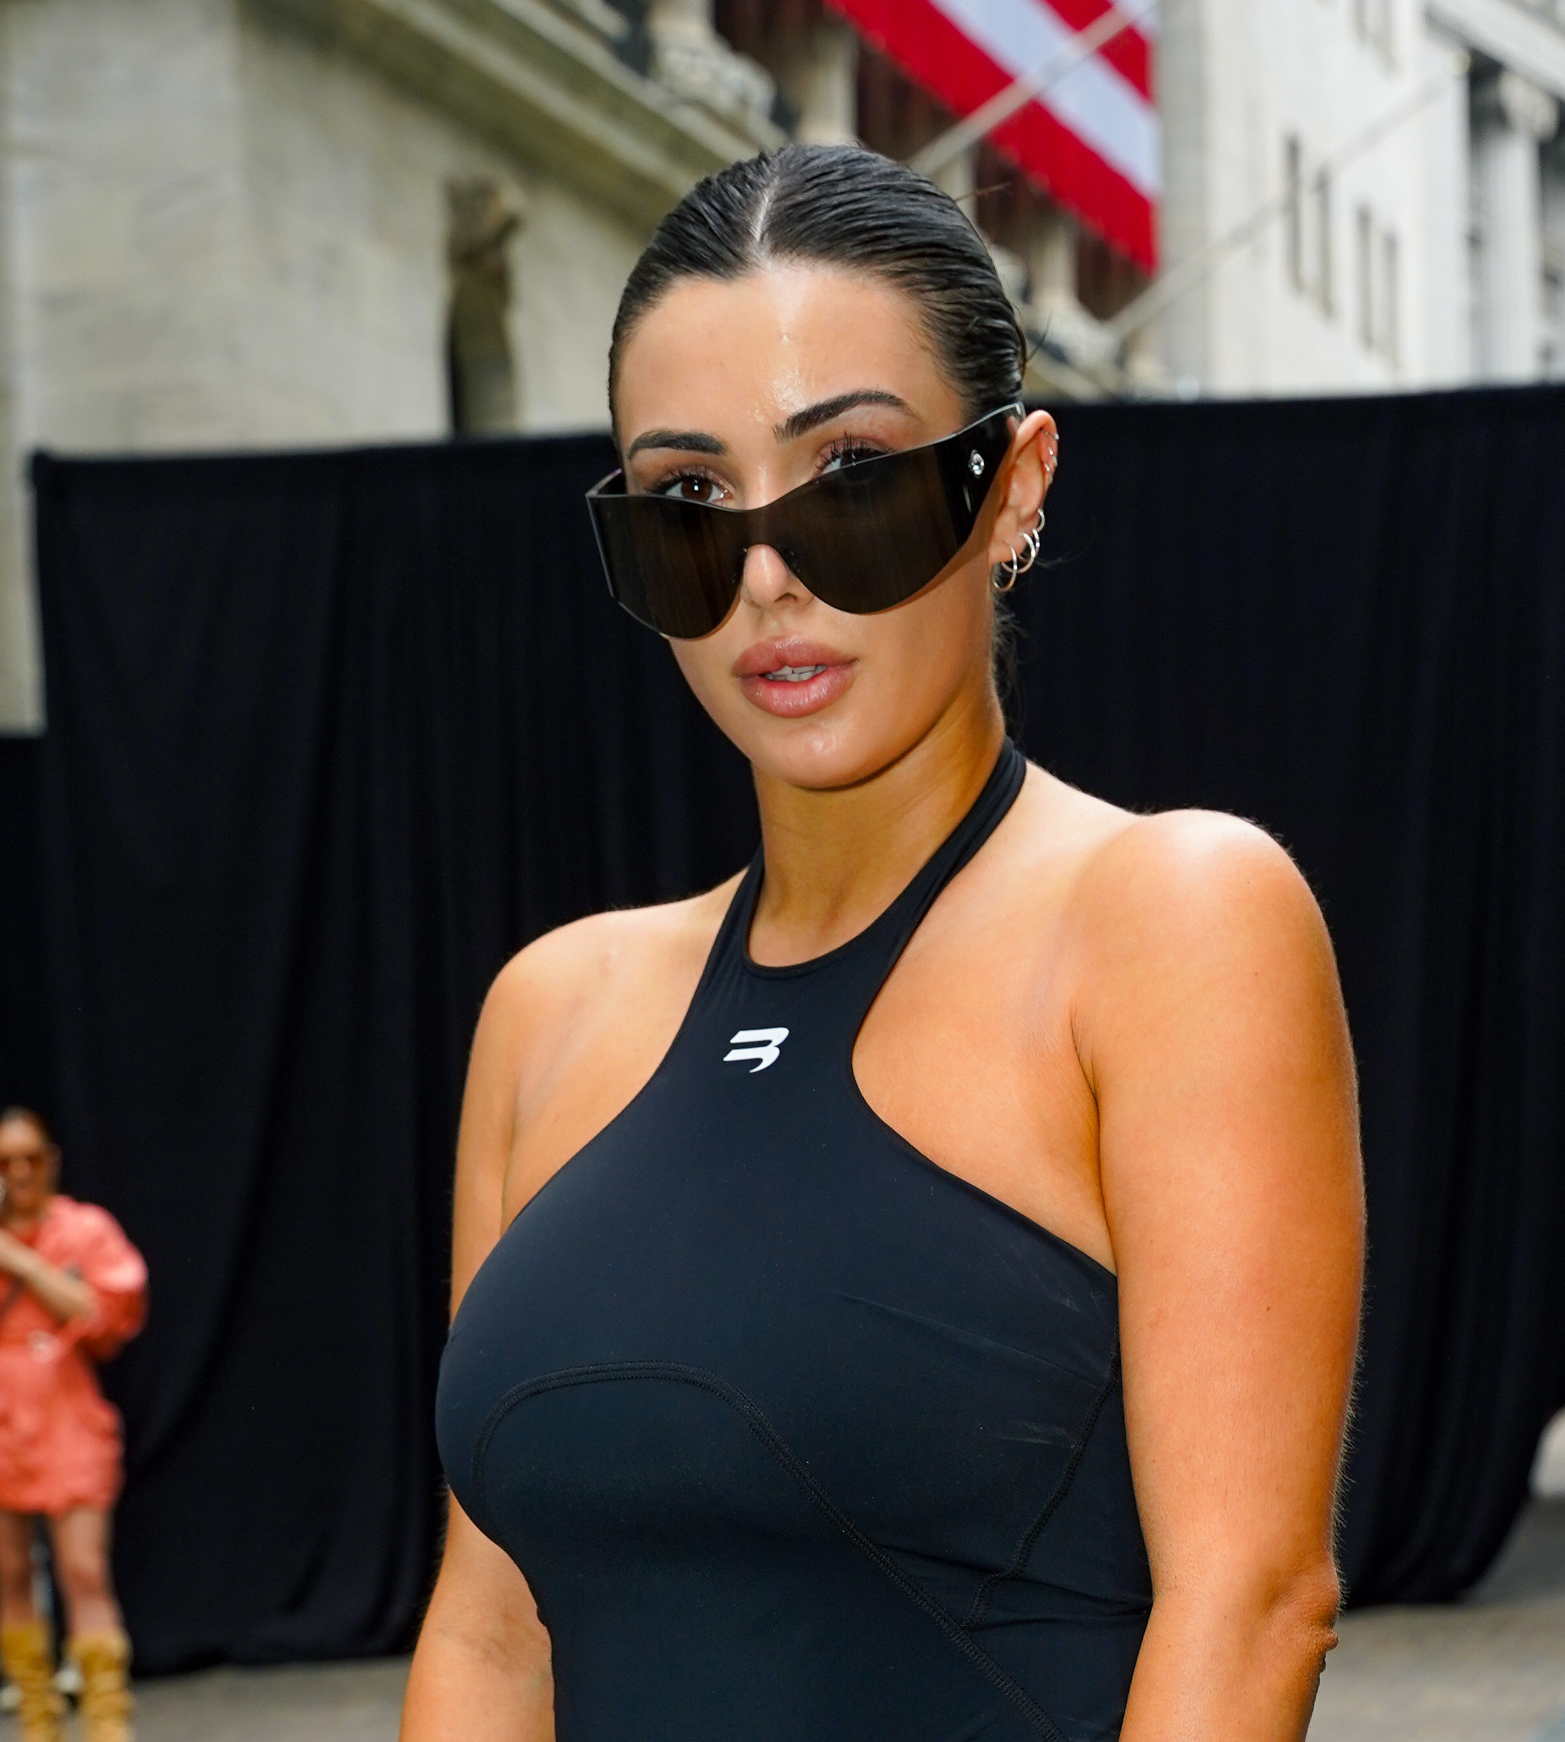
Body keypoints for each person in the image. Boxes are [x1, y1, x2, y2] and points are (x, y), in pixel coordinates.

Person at [404, 144, 1365, 1741]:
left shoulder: (1170, 920)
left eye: (848, 470)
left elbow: (1253, 1603)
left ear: (1013, 484)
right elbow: (488, 1630)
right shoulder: (549, 1007)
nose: (764, 576)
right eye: (687, 499)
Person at [0, 1110, 147, 1742]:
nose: (20, 1173)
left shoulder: (85, 1228)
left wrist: (17, 1261)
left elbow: (102, 1315)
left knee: (84, 1568)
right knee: (13, 1572)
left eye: (31, 1159)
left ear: (51, 1161)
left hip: (65, 1409)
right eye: (5, 1161)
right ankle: (37, 1720)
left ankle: (106, 1722)